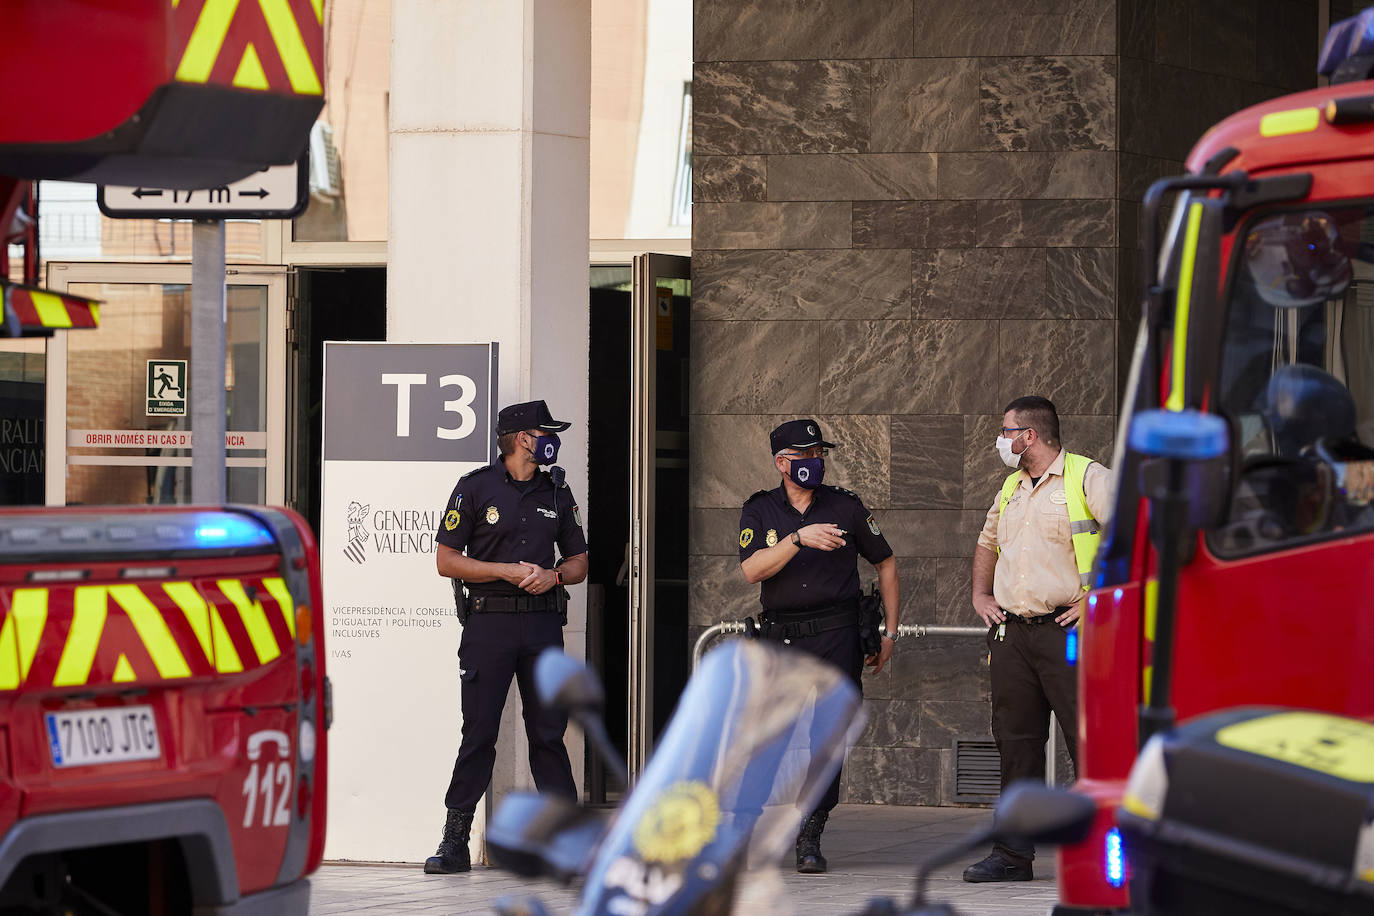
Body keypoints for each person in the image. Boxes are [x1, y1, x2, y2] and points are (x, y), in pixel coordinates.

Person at [424, 399, 588, 875]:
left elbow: (579, 560)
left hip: (541, 624)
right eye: (545, 431)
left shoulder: (556, 491)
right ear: (522, 438)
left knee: (549, 735)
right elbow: (446, 560)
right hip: (488, 625)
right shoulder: (475, 488)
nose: (551, 439)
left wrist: (554, 577)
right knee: (478, 733)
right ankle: (455, 842)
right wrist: (504, 572)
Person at [737, 418, 900, 874]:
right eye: (805, 455)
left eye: (819, 454)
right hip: (782, 641)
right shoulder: (761, 510)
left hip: (838, 637)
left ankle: (811, 832)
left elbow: (886, 561)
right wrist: (797, 538)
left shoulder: (845, 507)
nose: (815, 462)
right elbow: (752, 570)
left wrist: (889, 632)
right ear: (781, 463)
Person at [963, 396, 1112, 883]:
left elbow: (1136, 536)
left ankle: (1102, 853)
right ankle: (1011, 854)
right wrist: (980, 594)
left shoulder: (1088, 477)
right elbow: (987, 542)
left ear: (1029, 435)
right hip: (1012, 636)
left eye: (1006, 431)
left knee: (1088, 743)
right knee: (1015, 744)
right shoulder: (1011, 487)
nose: (1001, 439)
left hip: (1067, 634)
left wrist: (1097, 601)